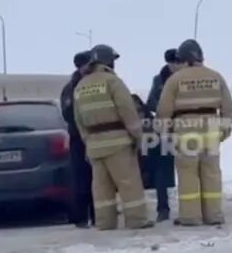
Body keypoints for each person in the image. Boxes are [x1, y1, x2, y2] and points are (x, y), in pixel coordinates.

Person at [71, 44, 153, 230]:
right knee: (128, 182)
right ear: (108, 61)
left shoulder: (80, 86)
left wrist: (88, 142)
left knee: (101, 187)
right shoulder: (112, 82)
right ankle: (136, 220)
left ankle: (105, 222)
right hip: (118, 143)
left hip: (94, 145)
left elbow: (79, 120)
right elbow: (127, 111)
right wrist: (137, 137)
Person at [157, 38, 232, 226]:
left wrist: (164, 133)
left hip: (186, 132)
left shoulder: (175, 80)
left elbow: (163, 110)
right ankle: (214, 215)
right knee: (212, 174)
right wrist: (225, 130)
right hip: (211, 132)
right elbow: (227, 106)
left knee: (188, 174)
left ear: (182, 59)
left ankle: (191, 217)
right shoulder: (216, 77)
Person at [145, 48, 182, 221]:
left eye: (178, 62)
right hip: (165, 128)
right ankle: (163, 208)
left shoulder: (186, 78)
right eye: (173, 62)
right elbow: (151, 101)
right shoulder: (159, 80)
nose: (176, 65)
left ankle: (191, 206)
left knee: (188, 169)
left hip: (185, 127)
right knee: (162, 169)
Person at [60, 50, 94, 227]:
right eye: (90, 63)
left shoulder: (94, 83)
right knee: (81, 178)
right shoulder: (71, 87)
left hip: (95, 136)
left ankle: (98, 215)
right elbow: (68, 113)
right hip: (79, 139)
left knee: (99, 178)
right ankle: (81, 217)